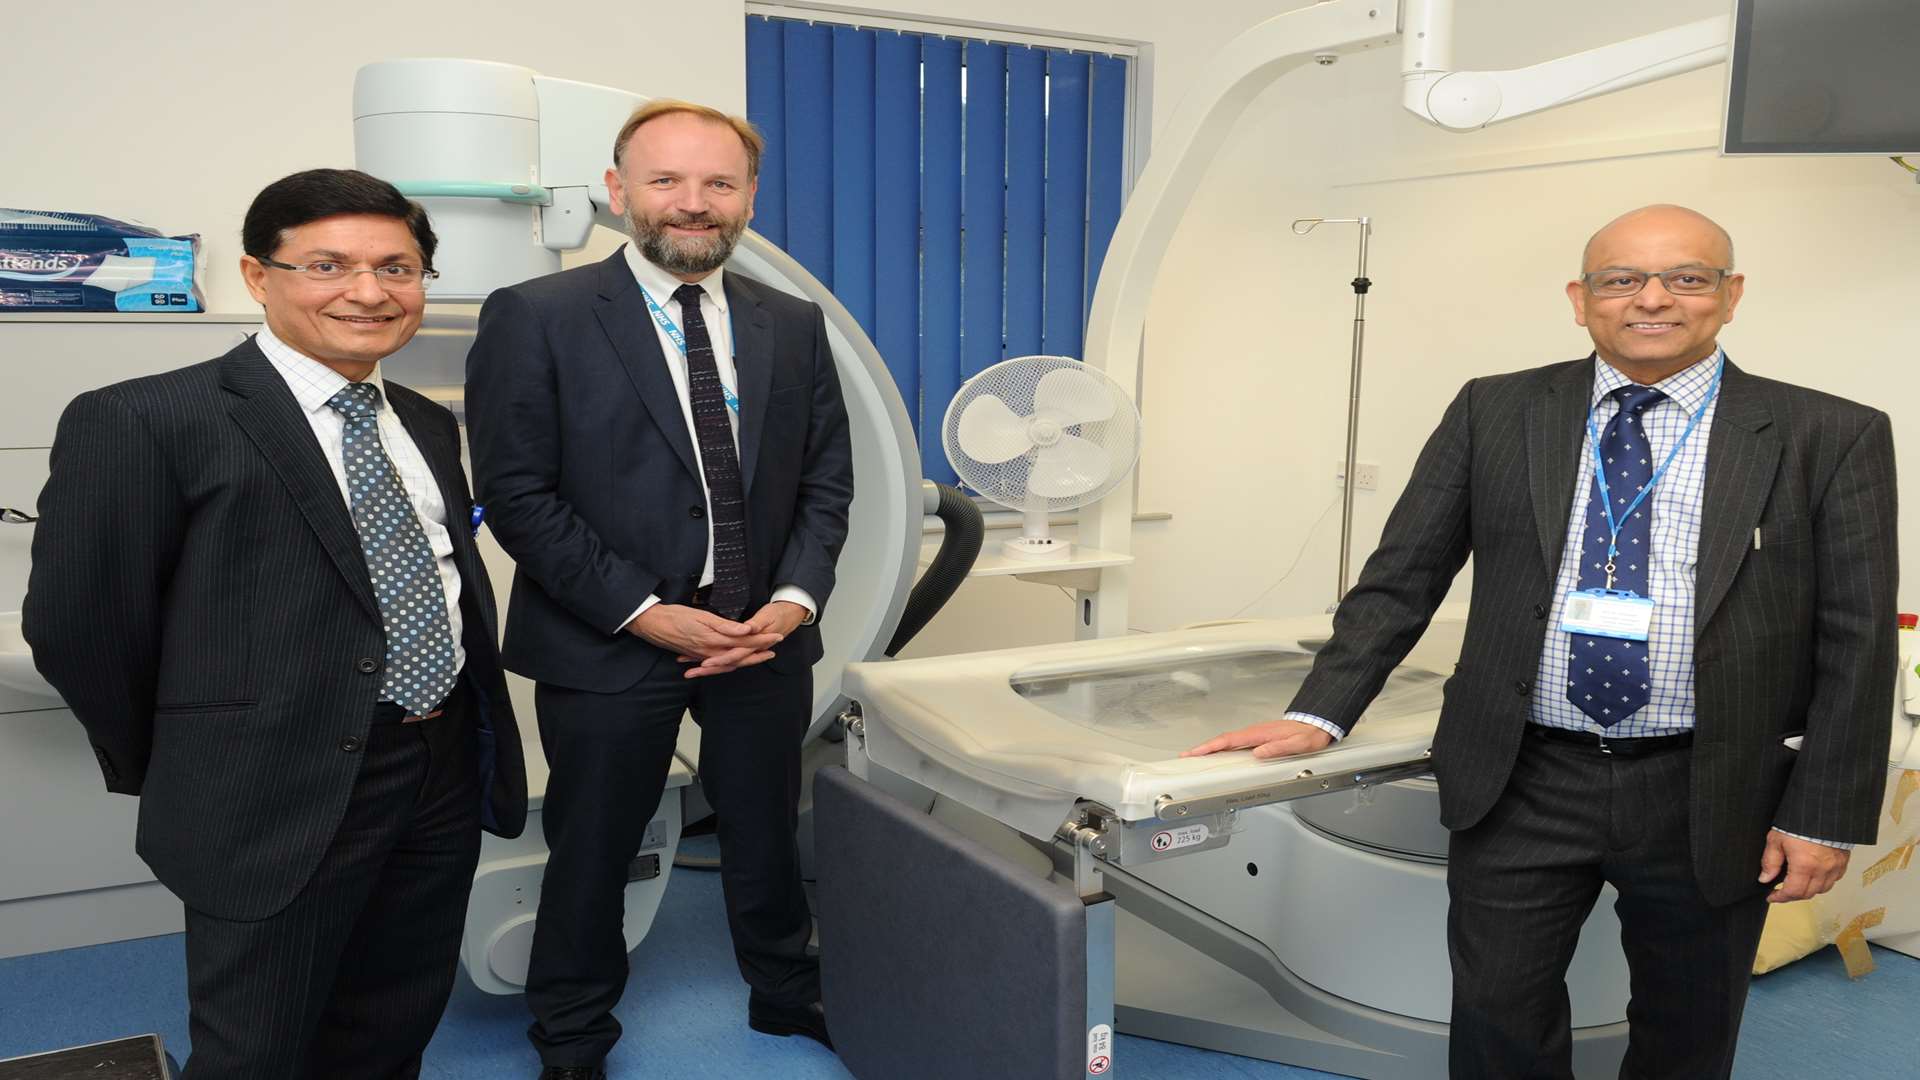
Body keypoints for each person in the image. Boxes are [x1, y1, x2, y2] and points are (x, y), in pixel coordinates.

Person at [1185, 204, 1895, 1079]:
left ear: (1730, 294)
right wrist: (1320, 712)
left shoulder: (1829, 432)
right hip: (1522, 772)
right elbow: (1404, 574)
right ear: (1581, 298)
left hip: (1713, 783)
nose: (1653, 299)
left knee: (1689, 1023)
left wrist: (1821, 812)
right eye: (1622, 278)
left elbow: (1857, 636)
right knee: (1498, 1019)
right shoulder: (1497, 409)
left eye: (1686, 277)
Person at [24, 168, 528, 1079]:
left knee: (394, 1016)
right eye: (328, 264)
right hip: (268, 783)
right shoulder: (146, 419)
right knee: (257, 1047)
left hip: (437, 764)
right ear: (260, 277)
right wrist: (197, 753)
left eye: (399, 268)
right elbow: (78, 629)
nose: (369, 292)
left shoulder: (423, 422)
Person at [464, 99, 853, 1079]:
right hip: (608, 637)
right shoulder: (537, 316)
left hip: (761, 636)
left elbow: (825, 482)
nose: (693, 202)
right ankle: (574, 1032)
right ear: (618, 191)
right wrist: (647, 612)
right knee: (593, 846)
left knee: (764, 830)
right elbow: (517, 494)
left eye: (718, 183)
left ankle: (782, 991)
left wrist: (796, 599)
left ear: (749, 198)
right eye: (667, 180)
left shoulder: (792, 325)